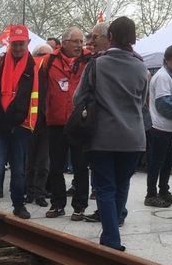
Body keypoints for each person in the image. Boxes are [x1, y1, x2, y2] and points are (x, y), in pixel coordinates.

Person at [74, 16, 147, 251]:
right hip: (134, 138)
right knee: (122, 184)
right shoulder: (141, 66)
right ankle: (111, 234)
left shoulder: (97, 64)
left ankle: (111, 240)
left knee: (105, 187)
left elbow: (78, 98)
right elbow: (143, 102)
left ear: (111, 37)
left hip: (102, 136)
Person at [0, 24, 40, 219]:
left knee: (18, 170)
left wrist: (31, 125)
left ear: (28, 43)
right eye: (14, 44)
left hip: (21, 126)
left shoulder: (34, 67)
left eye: (20, 44)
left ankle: (18, 205)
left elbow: (35, 98)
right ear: (9, 43)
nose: (17, 48)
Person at [44, 27, 90, 220]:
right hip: (55, 121)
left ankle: (79, 206)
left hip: (79, 122)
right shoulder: (50, 60)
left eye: (81, 42)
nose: (80, 45)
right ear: (64, 43)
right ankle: (57, 204)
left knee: (80, 166)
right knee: (55, 166)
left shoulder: (90, 60)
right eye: (76, 42)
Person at [145, 44, 172, 208]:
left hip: (168, 127)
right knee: (156, 162)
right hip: (159, 127)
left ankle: (163, 190)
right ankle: (151, 194)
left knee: (168, 160)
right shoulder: (162, 77)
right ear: (167, 59)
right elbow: (163, 104)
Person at [24, 45, 52, 207]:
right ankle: (30, 191)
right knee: (30, 160)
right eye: (42, 55)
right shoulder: (29, 72)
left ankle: (40, 192)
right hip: (31, 122)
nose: (46, 58)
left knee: (43, 161)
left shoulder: (53, 73)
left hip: (47, 122)